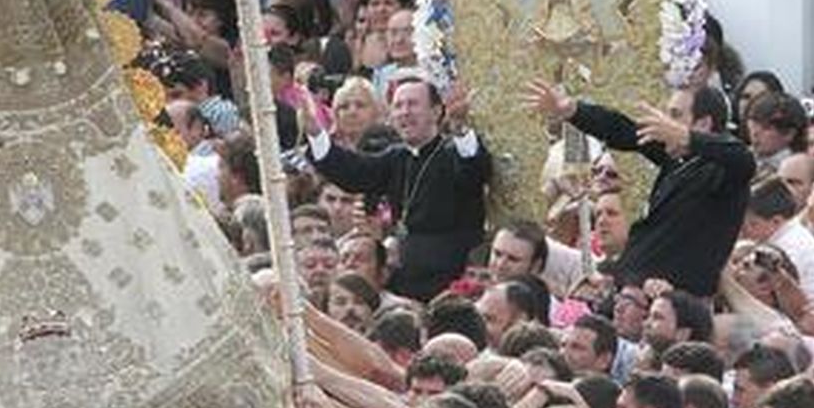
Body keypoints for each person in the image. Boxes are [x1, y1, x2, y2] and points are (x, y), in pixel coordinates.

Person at [527, 79, 754, 299]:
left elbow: (743, 158)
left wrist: (687, 137)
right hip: (627, 288)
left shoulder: (724, 172)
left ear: (703, 124)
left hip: (672, 305)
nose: (664, 122)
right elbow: (624, 131)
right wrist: (572, 110)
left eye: (674, 115)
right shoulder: (677, 161)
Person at [301, 76, 489, 301]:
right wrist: (315, 133)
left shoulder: (453, 153)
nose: (404, 112)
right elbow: (355, 173)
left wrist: (458, 127)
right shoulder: (397, 157)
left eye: (413, 104)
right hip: (404, 283)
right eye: (398, 106)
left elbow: (475, 170)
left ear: (436, 111)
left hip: (449, 283)